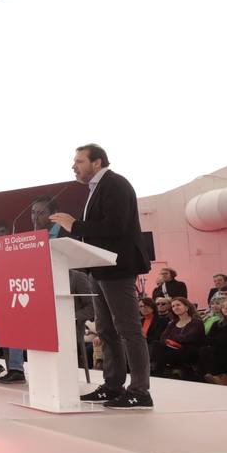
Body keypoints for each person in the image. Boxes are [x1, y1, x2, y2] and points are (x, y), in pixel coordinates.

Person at [49, 143, 153, 409]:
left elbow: (115, 226)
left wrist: (76, 225)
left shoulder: (115, 184)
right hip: (99, 267)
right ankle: (112, 385)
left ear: (97, 163)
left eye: (79, 161)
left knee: (128, 329)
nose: (74, 166)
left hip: (117, 267)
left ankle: (140, 391)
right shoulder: (97, 188)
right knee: (106, 329)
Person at [149, 296, 204, 380]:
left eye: (178, 305)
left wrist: (171, 338)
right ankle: (156, 371)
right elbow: (163, 338)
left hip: (188, 352)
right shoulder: (173, 323)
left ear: (186, 307)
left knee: (158, 349)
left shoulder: (196, 322)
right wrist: (173, 339)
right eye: (173, 306)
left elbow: (188, 338)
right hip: (173, 349)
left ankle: (156, 371)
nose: (175, 308)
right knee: (156, 344)